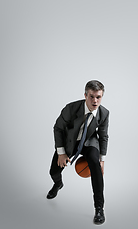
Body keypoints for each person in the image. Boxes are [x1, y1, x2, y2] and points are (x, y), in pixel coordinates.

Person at [46, 80, 109, 225]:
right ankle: (58, 184)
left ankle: (99, 208)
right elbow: (58, 128)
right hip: (70, 142)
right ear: (85, 95)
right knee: (53, 172)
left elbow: (103, 136)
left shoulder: (104, 113)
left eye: (98, 97)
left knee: (95, 165)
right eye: (92, 96)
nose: (95, 100)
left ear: (102, 97)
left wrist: (102, 159)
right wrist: (61, 153)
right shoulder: (71, 108)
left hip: (89, 142)